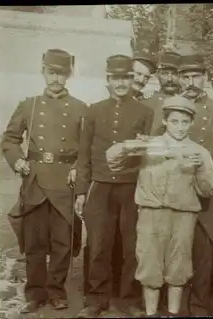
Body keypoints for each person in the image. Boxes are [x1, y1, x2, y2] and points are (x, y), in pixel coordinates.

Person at [105, 95, 213, 317]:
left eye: (185, 122)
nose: (180, 127)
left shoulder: (198, 151)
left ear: (191, 123)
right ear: (165, 121)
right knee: (149, 264)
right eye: (174, 121)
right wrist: (133, 146)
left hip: (184, 217)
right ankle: (150, 313)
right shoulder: (149, 145)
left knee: (179, 267)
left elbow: (210, 190)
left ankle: (173, 313)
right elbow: (112, 161)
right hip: (151, 214)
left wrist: (200, 168)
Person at [0, 48, 86, 314]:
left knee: (62, 241)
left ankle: (57, 292)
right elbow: (10, 139)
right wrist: (17, 160)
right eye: (51, 73)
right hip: (35, 180)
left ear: (69, 75)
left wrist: (76, 168)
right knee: (34, 242)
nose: (56, 79)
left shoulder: (81, 108)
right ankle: (35, 293)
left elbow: (86, 149)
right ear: (43, 71)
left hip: (63, 184)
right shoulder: (30, 105)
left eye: (61, 74)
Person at [151, 54, 213, 316]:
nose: (190, 82)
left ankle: (198, 306)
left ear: (205, 78)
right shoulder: (166, 108)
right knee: (172, 249)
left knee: (203, 253)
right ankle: (173, 306)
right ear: (178, 78)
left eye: (195, 76)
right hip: (173, 193)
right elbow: (153, 152)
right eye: (185, 77)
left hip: (207, 195)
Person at [75, 55, 154, 318]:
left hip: (131, 188)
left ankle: (129, 298)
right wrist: (82, 191)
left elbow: (146, 156)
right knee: (99, 244)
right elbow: (84, 153)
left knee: (133, 246)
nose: (121, 83)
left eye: (126, 78)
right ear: (107, 80)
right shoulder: (94, 110)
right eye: (115, 78)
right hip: (100, 187)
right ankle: (96, 298)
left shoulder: (145, 112)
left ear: (132, 80)